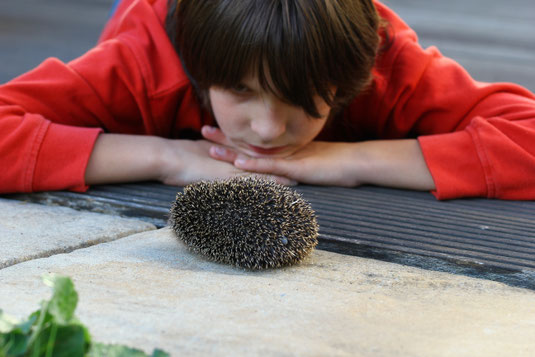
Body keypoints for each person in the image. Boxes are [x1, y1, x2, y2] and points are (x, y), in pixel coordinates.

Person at [1, 0, 534, 200]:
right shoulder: (144, 60)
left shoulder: (383, 59)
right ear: (198, 69)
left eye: (303, 99)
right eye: (240, 92)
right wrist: (166, 157)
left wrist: (352, 158)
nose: (268, 130)